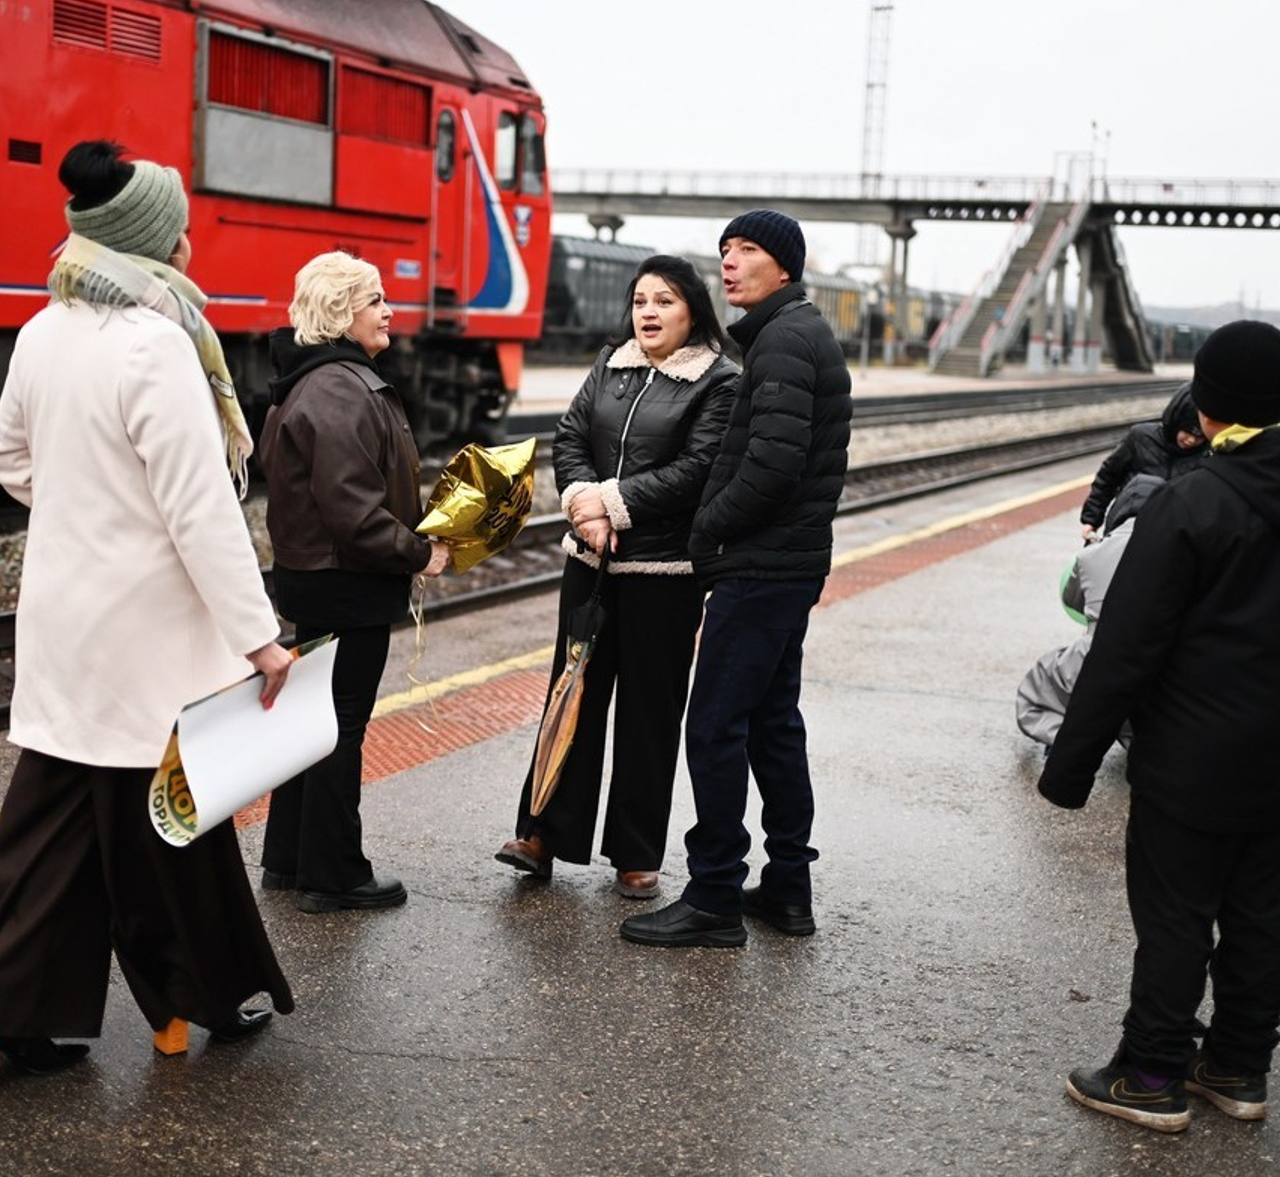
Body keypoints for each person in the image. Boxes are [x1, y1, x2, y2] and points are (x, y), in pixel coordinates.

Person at [0, 139, 295, 1076]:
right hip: (146, 636)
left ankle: (18, 1011)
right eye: (180, 228)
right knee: (168, 824)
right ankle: (191, 999)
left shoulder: (44, 331)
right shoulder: (157, 342)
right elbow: (200, 507)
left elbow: (12, 465)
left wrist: (85, 515)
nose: (190, 244)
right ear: (149, 239)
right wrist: (261, 639)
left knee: (50, 823)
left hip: (64, 620)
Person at [1039, 319, 1280, 1133]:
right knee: (1261, 914)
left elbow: (1125, 648)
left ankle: (1149, 1075)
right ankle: (1240, 1070)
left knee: (1177, 914)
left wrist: (1069, 766)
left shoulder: (1193, 501)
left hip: (1194, 756)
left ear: (1207, 405)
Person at [621, 210, 853, 948]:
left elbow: (773, 467)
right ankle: (788, 886)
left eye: (747, 250)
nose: (728, 262)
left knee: (716, 724)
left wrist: (707, 527)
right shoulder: (793, 333)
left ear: (783, 267)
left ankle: (715, 894)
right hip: (786, 565)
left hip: (762, 566)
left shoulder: (784, 341)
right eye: (724, 249)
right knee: (773, 724)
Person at [495, 254, 738, 899]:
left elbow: (697, 469)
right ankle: (542, 834)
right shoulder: (611, 365)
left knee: (648, 714)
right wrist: (583, 505)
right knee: (571, 696)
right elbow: (570, 435)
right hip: (591, 564)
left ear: (692, 310)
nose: (648, 313)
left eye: (663, 301)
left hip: (665, 572)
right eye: (639, 302)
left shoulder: (719, 380)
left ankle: (635, 853)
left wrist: (612, 504)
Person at [257, 252, 450, 914]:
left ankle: (289, 858)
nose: (388, 310)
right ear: (343, 312)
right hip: (346, 582)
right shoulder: (340, 387)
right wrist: (417, 552)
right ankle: (335, 874)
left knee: (311, 723)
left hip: (316, 578)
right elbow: (353, 512)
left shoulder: (312, 381)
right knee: (339, 726)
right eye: (376, 300)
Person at [1016, 473, 1164, 750]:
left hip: (1098, 659)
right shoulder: (1181, 547)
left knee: (1037, 691)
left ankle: (1070, 742)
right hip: (1164, 665)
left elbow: (1073, 602)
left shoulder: (1090, 556)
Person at [1079, 383, 1206, 542]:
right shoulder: (1140, 437)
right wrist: (1091, 519)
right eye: (1187, 431)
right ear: (1175, 421)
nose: (1191, 440)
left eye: (1199, 436)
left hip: (1172, 536)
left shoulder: (1207, 454)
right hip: (1125, 526)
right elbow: (1108, 477)